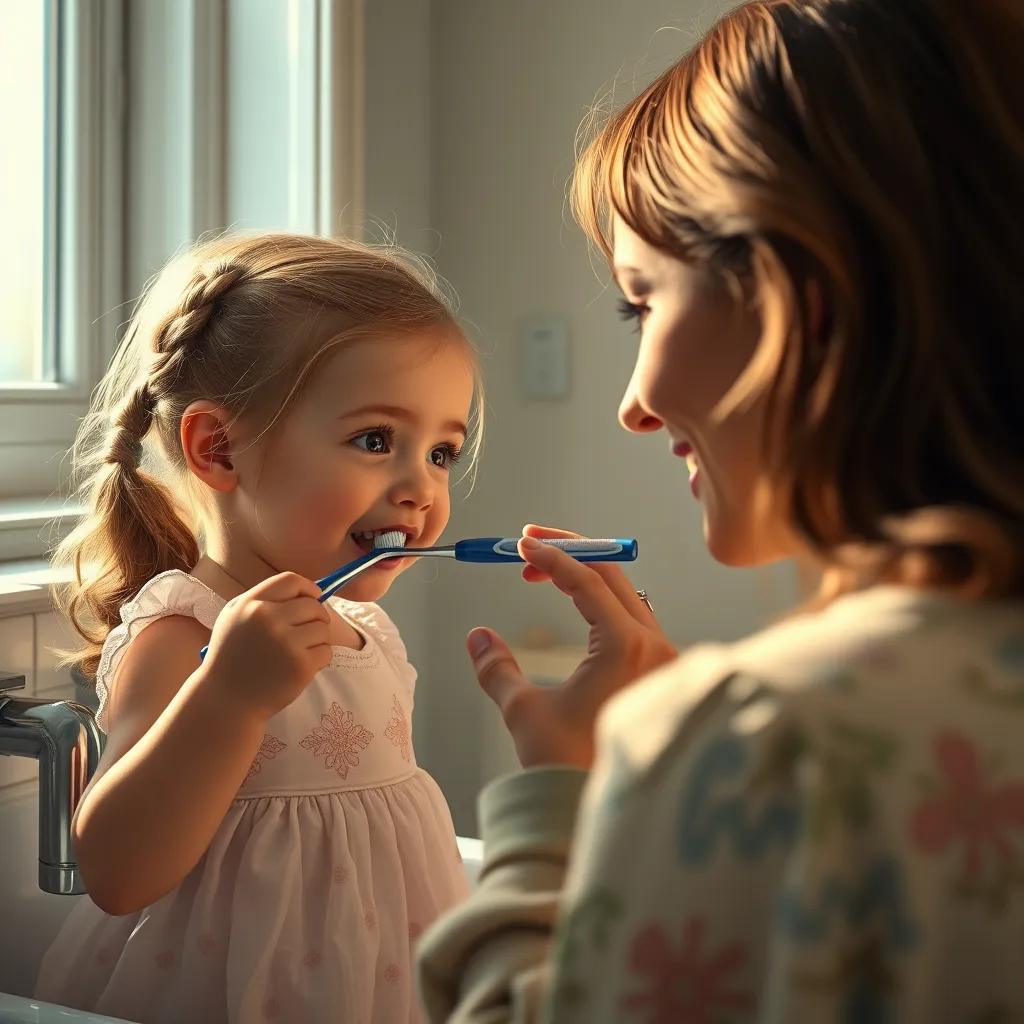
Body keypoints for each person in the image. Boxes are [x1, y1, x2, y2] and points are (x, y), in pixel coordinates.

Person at [417, 1, 1024, 1020]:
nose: (633, 403)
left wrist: (563, 799)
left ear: (802, 293)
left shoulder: (758, 742)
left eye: (641, 300)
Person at [35, 233, 482, 1023]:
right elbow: (117, 872)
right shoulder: (184, 631)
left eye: (443, 451)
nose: (421, 488)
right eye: (377, 441)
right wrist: (228, 699)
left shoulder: (368, 631)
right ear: (218, 449)